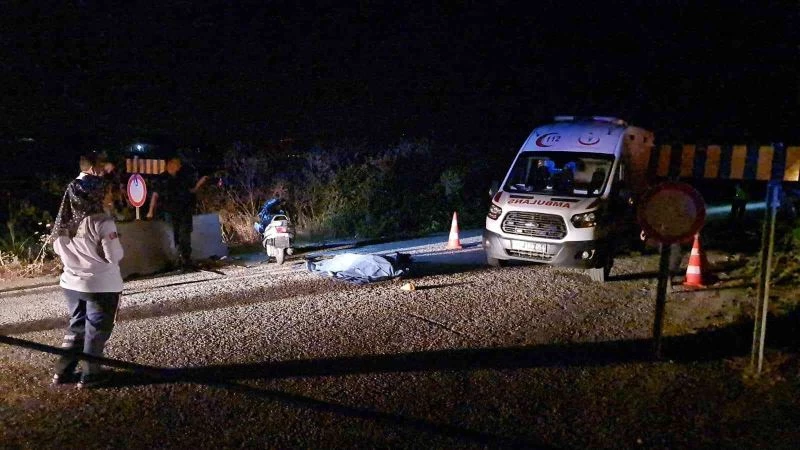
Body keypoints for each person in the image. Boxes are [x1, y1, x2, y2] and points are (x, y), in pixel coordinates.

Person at [48, 152, 124, 389]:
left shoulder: (64, 221)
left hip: (71, 283)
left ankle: (62, 372)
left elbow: (57, 248)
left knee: (77, 327)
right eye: (105, 192)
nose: (107, 196)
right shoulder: (102, 222)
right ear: (96, 194)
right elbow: (114, 257)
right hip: (101, 285)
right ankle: (91, 375)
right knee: (96, 330)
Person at [146, 155, 208, 269]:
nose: (179, 166)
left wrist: (200, 183)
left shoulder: (183, 177)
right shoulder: (162, 179)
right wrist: (150, 211)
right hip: (171, 211)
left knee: (185, 234)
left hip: (185, 210)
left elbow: (192, 190)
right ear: (170, 164)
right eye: (177, 163)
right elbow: (155, 195)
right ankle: (179, 258)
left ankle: (186, 258)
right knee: (175, 234)